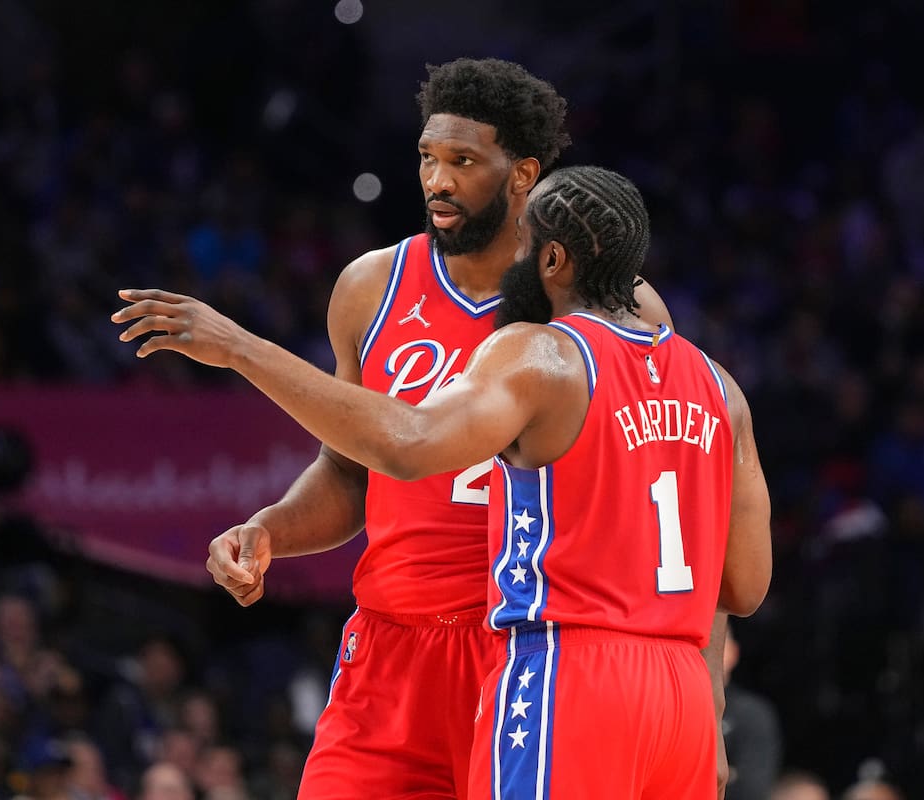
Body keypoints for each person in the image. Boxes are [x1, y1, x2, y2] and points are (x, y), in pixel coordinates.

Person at [123, 58, 736, 799]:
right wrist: (274, 529)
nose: (437, 182)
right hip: (393, 645)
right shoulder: (370, 287)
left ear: (523, 174)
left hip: (525, 651)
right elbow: (350, 471)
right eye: (427, 158)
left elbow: (677, 506)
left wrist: (707, 696)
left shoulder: (604, 301)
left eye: (463, 162)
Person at [722, 622, 782, 800]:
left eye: (718, 643)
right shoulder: (669, 706)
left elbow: (751, 790)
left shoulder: (752, 713)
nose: (710, 651)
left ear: (734, 653)